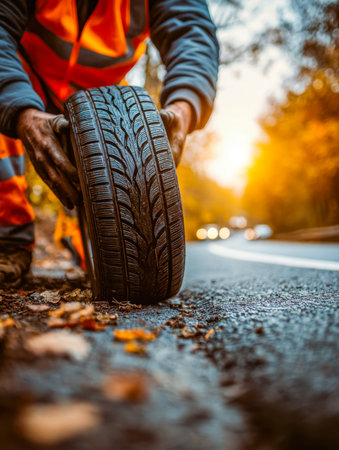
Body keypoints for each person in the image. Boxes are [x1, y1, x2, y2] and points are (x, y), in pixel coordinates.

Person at [0, 0, 219, 287]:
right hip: (21, 76)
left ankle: (85, 241)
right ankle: (9, 241)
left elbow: (191, 31)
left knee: (115, 249)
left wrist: (185, 105)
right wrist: (19, 110)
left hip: (101, 98)